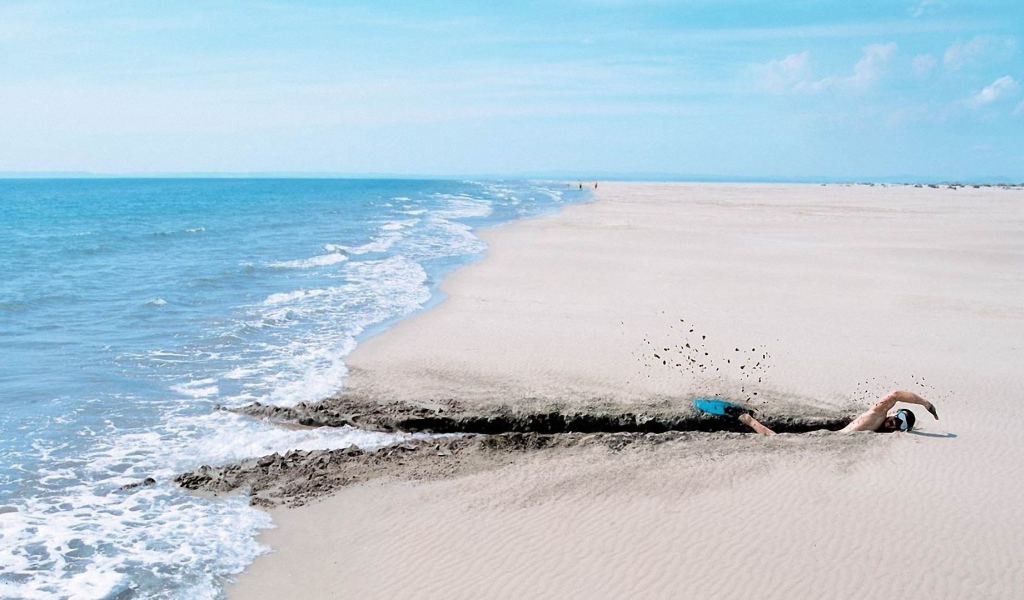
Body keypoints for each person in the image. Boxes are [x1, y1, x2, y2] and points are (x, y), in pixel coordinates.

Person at [734, 390, 938, 436]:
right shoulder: (877, 415)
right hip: (828, 434)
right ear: (894, 413)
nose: (895, 424)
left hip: (830, 432)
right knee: (777, 439)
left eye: (901, 426)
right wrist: (925, 403)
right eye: (898, 419)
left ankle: (747, 420)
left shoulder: (882, 430)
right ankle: (747, 419)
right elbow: (896, 394)